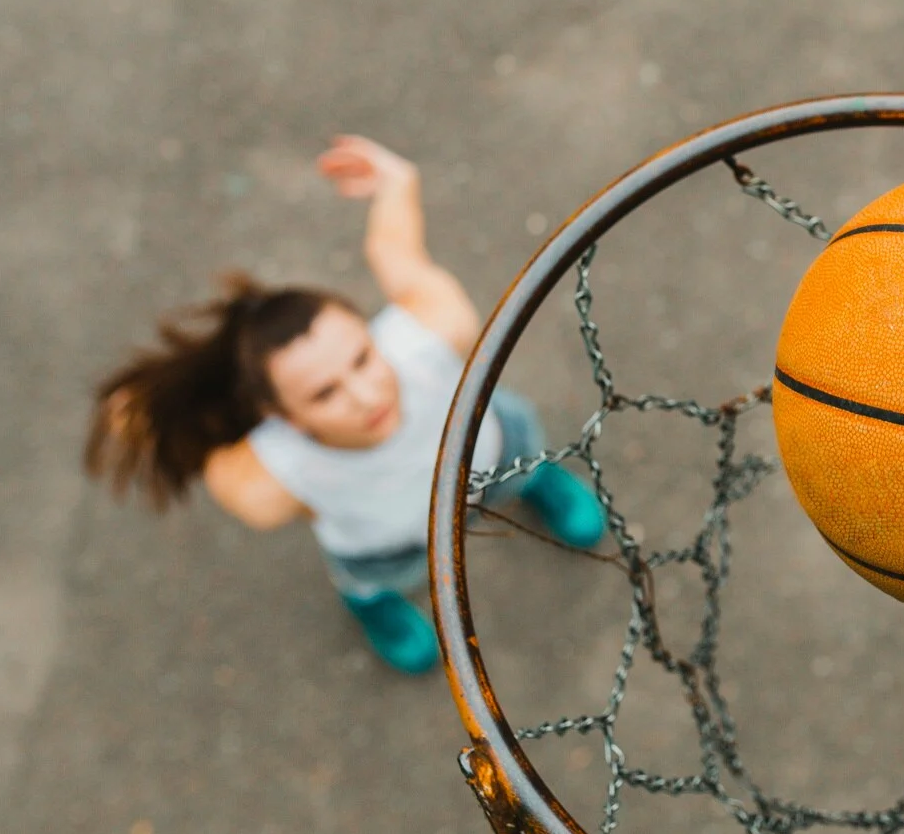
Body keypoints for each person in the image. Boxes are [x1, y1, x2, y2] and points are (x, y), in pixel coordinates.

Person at [83, 135, 605, 674]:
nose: (366, 394)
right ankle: (374, 603)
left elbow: (396, 255)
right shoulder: (269, 480)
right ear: (282, 418)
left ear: (373, 330)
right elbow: (206, 451)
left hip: (497, 451)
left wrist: (399, 185)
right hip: (391, 541)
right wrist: (152, 419)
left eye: (362, 357)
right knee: (372, 577)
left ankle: (535, 482)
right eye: (324, 393)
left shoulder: (429, 331)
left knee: (520, 459)